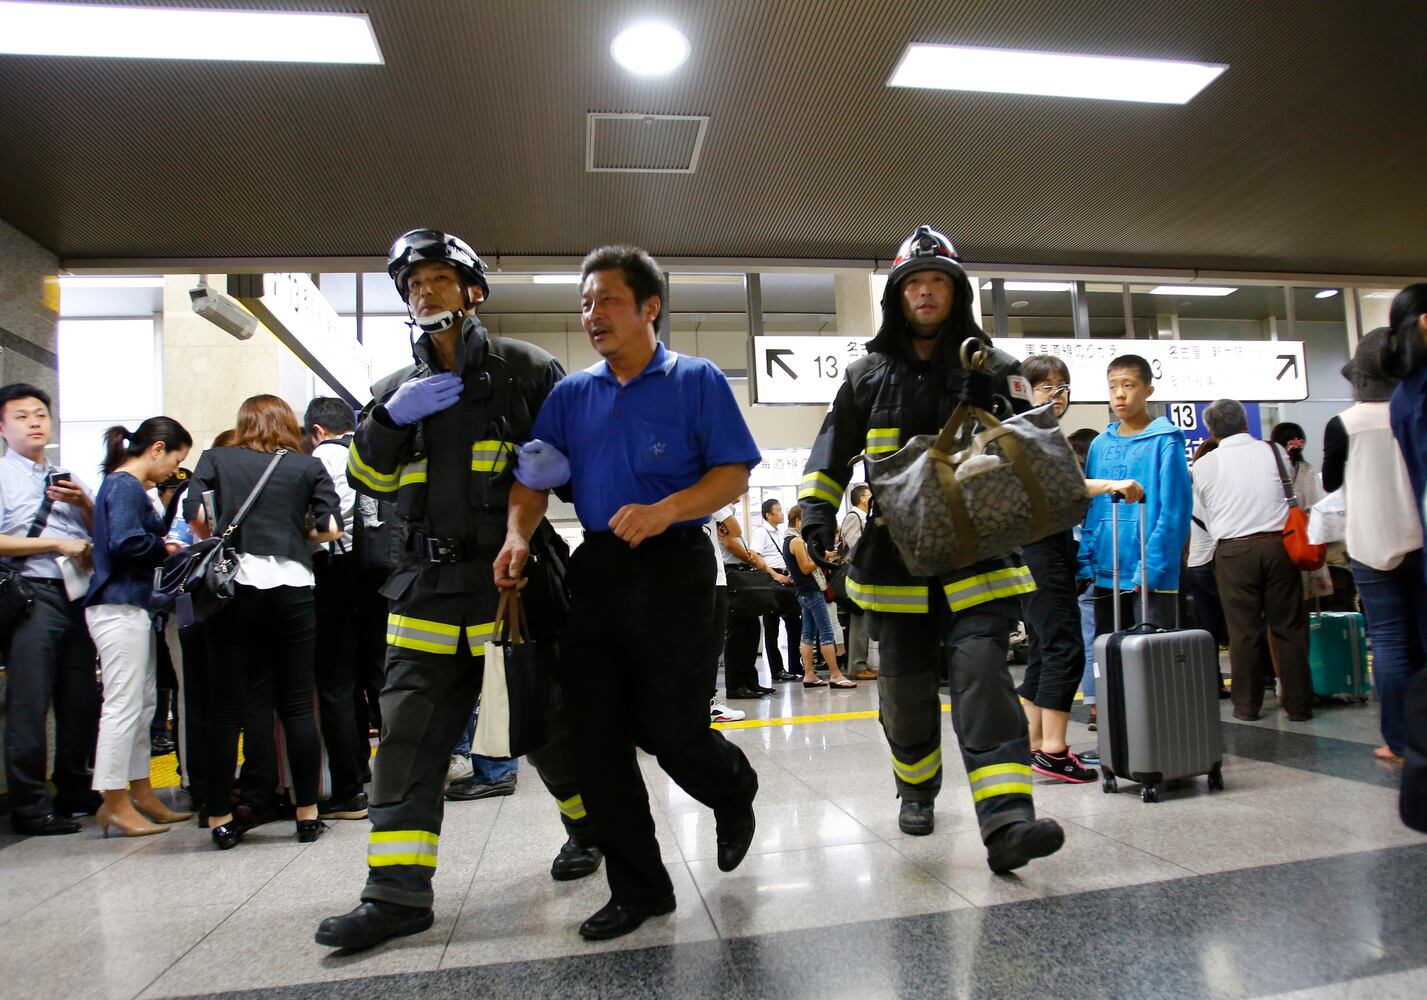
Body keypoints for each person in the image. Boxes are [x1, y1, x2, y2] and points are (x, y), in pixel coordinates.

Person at [317, 229, 600, 952]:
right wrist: (389, 420)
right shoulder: (391, 393)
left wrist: (558, 467)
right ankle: (395, 894)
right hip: (423, 591)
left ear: (473, 291)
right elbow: (368, 481)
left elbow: (577, 473)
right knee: (407, 741)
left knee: (546, 728)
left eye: (439, 279)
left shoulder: (527, 369)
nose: (424, 292)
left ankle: (589, 829)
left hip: (512, 586)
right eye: (413, 284)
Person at [495, 244, 761, 941]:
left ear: (650, 307)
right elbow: (532, 479)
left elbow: (732, 473)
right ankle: (640, 888)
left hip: (675, 565)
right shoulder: (570, 396)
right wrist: (517, 535)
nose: (592, 315)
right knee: (597, 738)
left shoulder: (696, 380)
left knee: (670, 731)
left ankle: (732, 787)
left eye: (607, 300)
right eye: (585, 303)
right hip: (598, 567)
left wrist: (666, 510)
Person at [797, 225, 1063, 871]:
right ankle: (915, 790)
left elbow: (1034, 452)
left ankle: (1007, 822)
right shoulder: (864, 377)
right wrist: (816, 514)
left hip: (978, 554)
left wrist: (994, 405)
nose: (924, 292)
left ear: (956, 292)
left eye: (936, 281)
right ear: (896, 295)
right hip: (895, 560)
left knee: (982, 673)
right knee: (905, 690)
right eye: (913, 282)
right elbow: (829, 454)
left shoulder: (998, 368)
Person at [185, 395, 344, 849]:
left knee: (226, 709)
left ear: (243, 423)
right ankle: (307, 814)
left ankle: (219, 816)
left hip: (234, 588)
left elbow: (196, 516)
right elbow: (331, 527)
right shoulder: (307, 466)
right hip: (293, 585)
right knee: (296, 705)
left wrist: (224, 535)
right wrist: (293, 535)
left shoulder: (217, 459)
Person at [1015, 355, 1140, 782]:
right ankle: (1054, 750)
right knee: (1064, 648)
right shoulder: (1030, 433)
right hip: (1041, 552)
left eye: (1062, 387)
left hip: (1034, 551)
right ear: (1024, 390)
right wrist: (1113, 484)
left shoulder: (1033, 432)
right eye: (1046, 387)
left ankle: (1032, 743)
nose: (1057, 395)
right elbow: (1059, 486)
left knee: (1043, 649)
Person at [85, 417, 194, 837]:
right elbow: (125, 541)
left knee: (143, 703)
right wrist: (165, 547)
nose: (172, 472)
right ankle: (114, 801)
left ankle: (141, 791)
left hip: (131, 606)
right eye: (175, 461)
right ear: (157, 448)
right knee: (123, 705)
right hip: (118, 604)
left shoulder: (126, 486)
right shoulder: (124, 485)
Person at [0, 383, 100, 835]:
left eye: (40, 414)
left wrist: (84, 503)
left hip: (75, 594)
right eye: (22, 417)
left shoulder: (65, 475)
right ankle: (29, 805)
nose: (34, 423)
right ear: (3, 428)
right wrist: (56, 543)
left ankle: (74, 790)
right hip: (29, 595)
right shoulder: (4, 476)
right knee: (30, 701)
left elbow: (99, 532)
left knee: (80, 700)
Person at [1323, 328, 1423, 762]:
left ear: (1361, 378)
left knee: (1388, 641)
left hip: (1370, 542)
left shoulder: (1344, 424)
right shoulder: (1416, 409)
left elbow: (1331, 482)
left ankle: (1398, 741)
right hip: (1420, 535)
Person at [1191, 398, 1313, 722]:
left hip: (1233, 552)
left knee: (1243, 632)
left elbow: (1206, 507)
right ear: (1246, 423)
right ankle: (1299, 706)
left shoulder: (1203, 465)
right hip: (1278, 547)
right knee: (1288, 628)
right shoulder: (1275, 452)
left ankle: (1246, 706)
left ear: (1211, 432)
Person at [1079, 355, 1192, 640]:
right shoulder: (1099, 444)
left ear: (1148, 390)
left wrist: (1151, 566)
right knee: (1109, 655)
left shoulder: (1166, 440)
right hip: (1106, 572)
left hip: (1152, 574)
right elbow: (1092, 509)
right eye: (1113, 386)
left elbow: (1175, 513)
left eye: (1128, 385)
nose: (1119, 394)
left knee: (1149, 657)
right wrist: (1086, 560)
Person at [301, 396, 370, 820]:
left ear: (317, 430)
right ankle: (379, 769)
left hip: (334, 577)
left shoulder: (320, 460)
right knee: (371, 679)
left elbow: (324, 525)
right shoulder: (369, 452)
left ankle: (350, 785)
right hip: (376, 577)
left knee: (337, 685)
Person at [784, 504, 855, 689]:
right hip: (811, 591)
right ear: (798, 520)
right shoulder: (796, 541)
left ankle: (809, 675)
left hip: (803, 591)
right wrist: (820, 558)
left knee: (807, 634)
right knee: (826, 632)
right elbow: (805, 567)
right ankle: (836, 674)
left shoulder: (788, 540)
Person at [718, 504, 778, 700]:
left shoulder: (729, 511)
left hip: (740, 570)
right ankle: (735, 685)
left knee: (751, 629)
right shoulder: (721, 509)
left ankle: (750, 680)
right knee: (737, 633)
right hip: (731, 572)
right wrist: (750, 557)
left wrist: (747, 554)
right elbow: (731, 540)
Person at [1270, 421, 1333, 603]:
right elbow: (1317, 505)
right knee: (1306, 598)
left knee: (1283, 596)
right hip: (1303, 538)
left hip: (1276, 538)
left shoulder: (1270, 470)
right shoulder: (1307, 471)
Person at [754, 498, 801, 682]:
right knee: (772, 627)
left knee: (794, 624)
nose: (782, 513)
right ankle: (777, 669)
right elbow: (756, 557)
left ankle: (795, 665)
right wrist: (775, 575)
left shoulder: (779, 532)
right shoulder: (761, 532)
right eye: (779, 510)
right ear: (768, 514)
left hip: (785, 580)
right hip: (771, 581)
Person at [839, 484, 876, 680]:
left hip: (864, 574)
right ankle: (857, 665)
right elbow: (855, 546)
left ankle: (862, 663)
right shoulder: (854, 517)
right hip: (856, 574)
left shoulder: (865, 517)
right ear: (862, 499)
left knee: (864, 621)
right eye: (869, 494)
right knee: (859, 620)